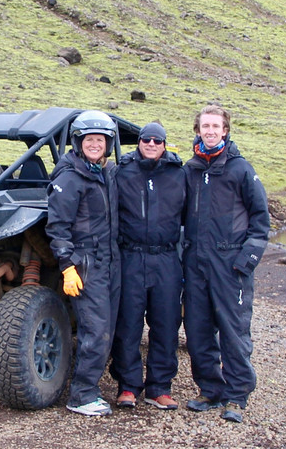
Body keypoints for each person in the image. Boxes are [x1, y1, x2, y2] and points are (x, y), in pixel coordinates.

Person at [182, 104, 270, 424]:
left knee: (234, 332)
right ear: (198, 130)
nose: (210, 131)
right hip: (196, 263)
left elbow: (261, 220)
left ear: (225, 130)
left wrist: (246, 259)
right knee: (197, 330)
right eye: (205, 126)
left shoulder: (241, 169)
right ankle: (210, 390)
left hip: (229, 261)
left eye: (215, 126)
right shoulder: (190, 170)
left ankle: (237, 394)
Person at [46, 110, 121, 417]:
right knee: (96, 331)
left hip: (110, 262)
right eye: (89, 139)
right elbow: (58, 226)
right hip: (86, 265)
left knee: (109, 329)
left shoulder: (104, 173)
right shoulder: (70, 177)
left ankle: (89, 388)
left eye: (100, 140)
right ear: (78, 142)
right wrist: (67, 266)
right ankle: (82, 394)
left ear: (108, 144)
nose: (95, 144)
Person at [109, 121, 186, 410]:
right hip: (130, 257)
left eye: (157, 140)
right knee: (127, 324)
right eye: (146, 139)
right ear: (138, 142)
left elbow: (192, 216)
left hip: (166, 258)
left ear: (165, 145)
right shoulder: (122, 172)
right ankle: (128, 386)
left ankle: (159, 388)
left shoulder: (180, 175)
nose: (151, 144)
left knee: (166, 324)